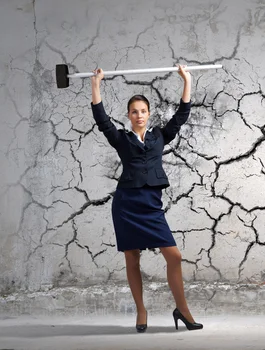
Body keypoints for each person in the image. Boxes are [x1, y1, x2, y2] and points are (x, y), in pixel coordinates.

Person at [90, 64, 202, 333]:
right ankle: (141, 310)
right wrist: (96, 84)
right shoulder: (120, 139)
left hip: (151, 205)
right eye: (134, 112)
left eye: (143, 111)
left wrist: (186, 79)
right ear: (128, 116)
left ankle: (182, 309)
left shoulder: (159, 137)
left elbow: (182, 114)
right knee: (132, 257)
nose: (139, 115)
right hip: (127, 205)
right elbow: (101, 119)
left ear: (149, 114)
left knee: (173, 256)